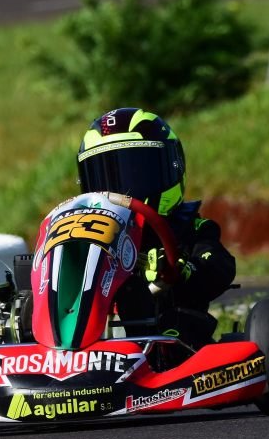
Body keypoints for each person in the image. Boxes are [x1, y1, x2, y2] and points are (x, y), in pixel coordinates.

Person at [76, 107, 236, 348]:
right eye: (105, 179)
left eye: (134, 176)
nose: (119, 192)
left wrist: (181, 269)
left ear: (171, 168)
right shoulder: (85, 235)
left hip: (170, 337)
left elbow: (218, 265)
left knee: (176, 327)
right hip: (93, 339)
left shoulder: (189, 228)